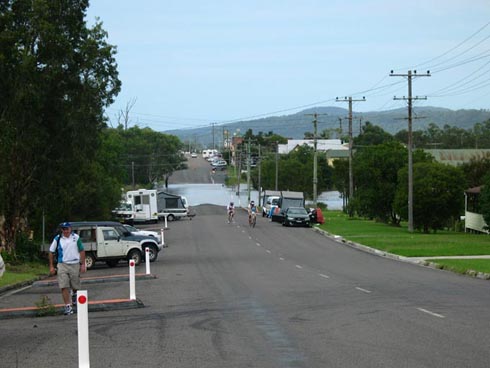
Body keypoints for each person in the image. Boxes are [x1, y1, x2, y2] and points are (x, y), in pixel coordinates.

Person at [49, 222, 86, 315]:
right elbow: (51, 252)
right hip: (62, 264)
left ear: (70, 229)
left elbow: (81, 250)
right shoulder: (58, 239)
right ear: (62, 230)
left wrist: (82, 264)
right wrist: (51, 266)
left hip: (74, 264)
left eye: (67, 229)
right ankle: (67, 306)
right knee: (64, 285)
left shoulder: (76, 237)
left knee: (75, 285)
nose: (65, 231)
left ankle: (74, 295)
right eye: (64, 229)